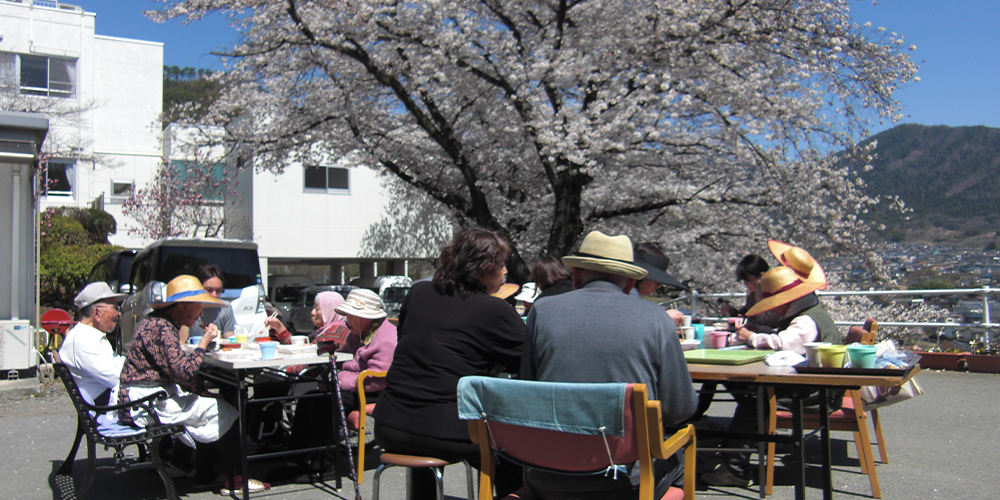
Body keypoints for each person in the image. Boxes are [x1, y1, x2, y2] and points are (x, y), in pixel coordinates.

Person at [521, 231, 698, 500]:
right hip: (628, 484)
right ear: (629, 283)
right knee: (683, 449)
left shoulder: (541, 311)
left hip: (547, 475)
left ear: (577, 275)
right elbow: (680, 410)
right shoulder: (657, 320)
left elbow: (528, 390)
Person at [372, 227, 525, 500]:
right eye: (500, 265)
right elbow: (527, 362)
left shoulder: (418, 292)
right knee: (513, 452)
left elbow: (408, 339)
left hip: (389, 424)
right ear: (483, 268)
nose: (505, 273)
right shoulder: (496, 310)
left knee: (425, 429)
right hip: (446, 431)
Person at [702, 241, 841, 488]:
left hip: (813, 392)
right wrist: (760, 331)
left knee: (753, 400)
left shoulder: (807, 321)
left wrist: (754, 337)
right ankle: (730, 453)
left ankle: (735, 467)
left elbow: (785, 343)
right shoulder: (807, 312)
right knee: (749, 394)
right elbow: (787, 337)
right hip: (812, 384)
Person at [116, 275, 268, 494]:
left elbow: (179, 373)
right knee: (226, 412)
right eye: (199, 306)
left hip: (143, 398)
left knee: (210, 404)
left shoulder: (157, 321)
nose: (202, 313)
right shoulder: (162, 327)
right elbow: (184, 373)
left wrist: (205, 392)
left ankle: (203, 471)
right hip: (145, 401)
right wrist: (204, 343)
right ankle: (235, 479)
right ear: (182, 305)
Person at [288, 289, 397, 482]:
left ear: (365, 317)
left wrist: (338, 379)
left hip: (375, 391)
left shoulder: (386, 339)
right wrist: (337, 373)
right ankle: (297, 458)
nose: (346, 319)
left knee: (326, 406)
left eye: (350, 316)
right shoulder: (357, 332)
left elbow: (376, 378)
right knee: (308, 400)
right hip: (357, 385)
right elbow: (344, 357)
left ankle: (326, 465)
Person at [58, 282, 127, 405]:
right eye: (115, 308)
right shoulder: (82, 340)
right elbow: (117, 378)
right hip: (103, 405)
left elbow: (116, 363)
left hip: (106, 398)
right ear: (97, 313)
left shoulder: (90, 336)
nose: (118, 313)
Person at [631, 242, 688, 326]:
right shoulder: (626, 295)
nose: (659, 285)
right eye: (656, 280)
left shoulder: (629, 294)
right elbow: (632, 321)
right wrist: (664, 317)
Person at [183, 264, 236, 343]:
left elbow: (229, 340)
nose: (214, 295)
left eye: (218, 291)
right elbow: (181, 342)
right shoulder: (187, 307)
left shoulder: (225, 307)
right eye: (209, 290)